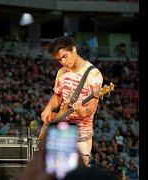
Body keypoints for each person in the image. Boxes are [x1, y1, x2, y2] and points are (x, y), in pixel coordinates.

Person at [39, 36, 103, 167]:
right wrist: (48, 108)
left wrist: (82, 111)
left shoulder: (93, 74)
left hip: (81, 136)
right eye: (59, 59)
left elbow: (91, 108)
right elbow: (58, 95)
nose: (62, 61)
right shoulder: (62, 72)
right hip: (60, 132)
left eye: (65, 56)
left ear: (74, 49)